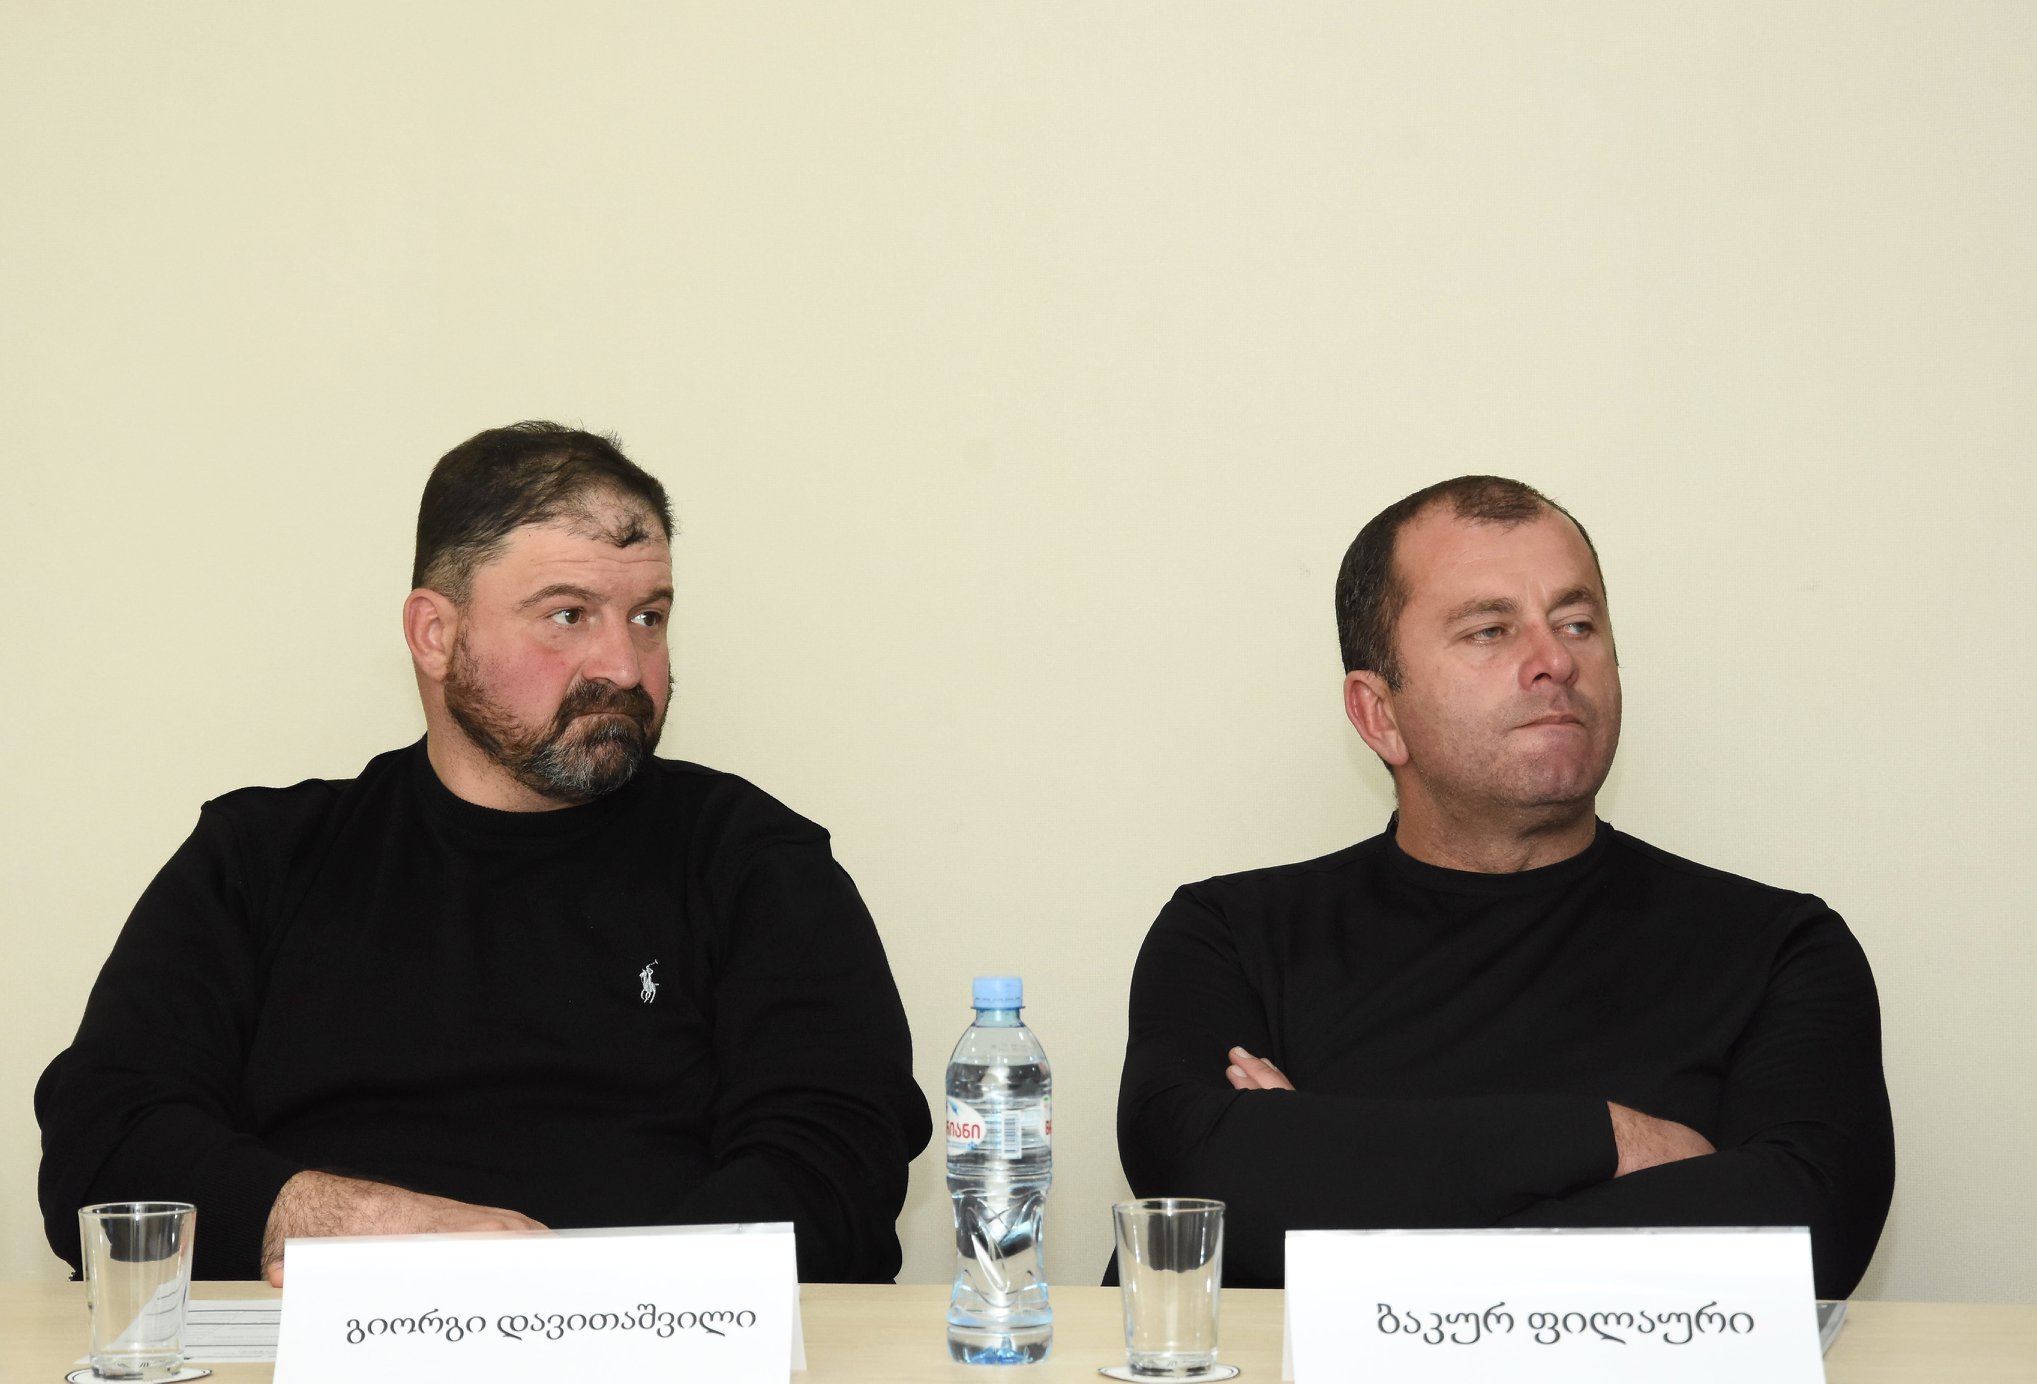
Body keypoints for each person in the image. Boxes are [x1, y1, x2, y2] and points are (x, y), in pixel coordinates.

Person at [38, 422, 931, 1285]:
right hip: (319, 1347)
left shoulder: (754, 862)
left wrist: (569, 1299)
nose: (624, 666)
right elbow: (106, 1142)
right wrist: (375, 1228)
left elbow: (835, 1170)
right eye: (568, 615)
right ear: (435, 634)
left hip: (659, 1345)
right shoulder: (259, 860)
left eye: (648, 617)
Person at [1115, 476, 1894, 1298]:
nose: (1555, 661)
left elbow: (1801, 1240)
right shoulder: (1228, 935)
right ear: (1378, 714)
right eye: (1489, 630)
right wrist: (1607, 1139)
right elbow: (1201, 1198)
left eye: (1577, 623)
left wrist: (1336, 1177)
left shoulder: (1779, 949)